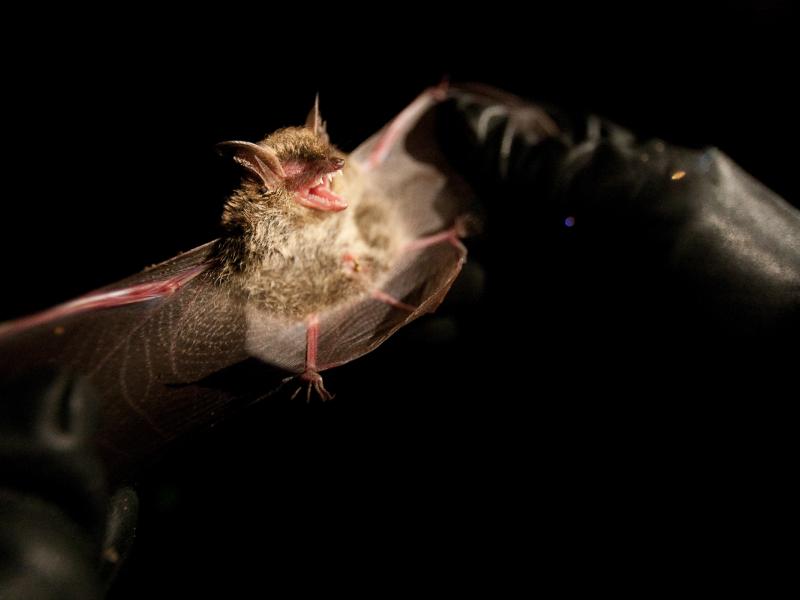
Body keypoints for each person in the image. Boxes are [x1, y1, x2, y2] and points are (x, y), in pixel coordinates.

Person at [1, 85, 796, 598]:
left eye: (326, 170)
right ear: (267, 178)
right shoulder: (266, 215)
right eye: (304, 181)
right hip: (258, 301)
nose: (324, 183)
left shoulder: (353, 184)